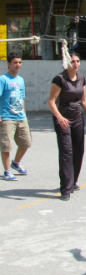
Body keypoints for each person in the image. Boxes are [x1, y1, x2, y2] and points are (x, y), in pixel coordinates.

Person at [48, 51, 86, 200]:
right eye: (73, 61)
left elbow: (83, 101)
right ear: (66, 63)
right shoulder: (59, 79)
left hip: (77, 118)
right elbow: (51, 101)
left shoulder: (81, 79)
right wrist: (59, 117)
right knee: (66, 152)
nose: (76, 64)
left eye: (78, 61)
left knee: (79, 150)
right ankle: (65, 189)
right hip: (63, 120)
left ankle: (73, 182)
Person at [0, 52, 31, 181]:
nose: (18, 65)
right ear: (8, 64)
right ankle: (7, 171)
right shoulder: (3, 79)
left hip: (21, 117)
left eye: (19, 62)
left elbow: (22, 98)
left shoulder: (21, 80)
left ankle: (16, 163)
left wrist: (24, 114)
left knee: (26, 143)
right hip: (7, 117)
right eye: (15, 62)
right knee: (6, 145)